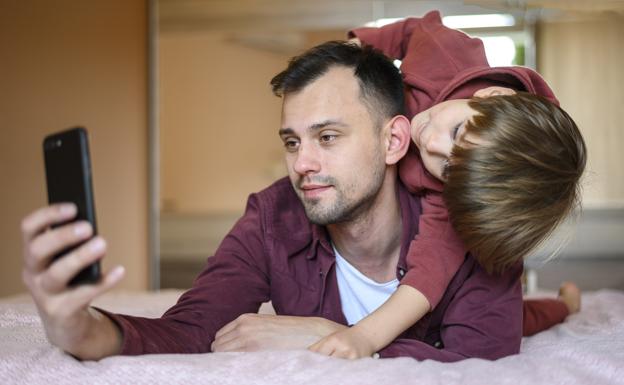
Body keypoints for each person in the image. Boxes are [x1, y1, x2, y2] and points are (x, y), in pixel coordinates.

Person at [21, 40, 526, 362]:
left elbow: (481, 357)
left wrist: (328, 337)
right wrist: (78, 328)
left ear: (394, 141)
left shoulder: (471, 220)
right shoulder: (273, 217)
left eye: (327, 137)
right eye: (291, 141)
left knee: (540, 314)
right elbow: (191, 330)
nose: (302, 163)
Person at [308, 11, 586, 358]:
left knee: (504, 329)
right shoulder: (445, 53)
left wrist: (363, 338)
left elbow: (429, 275)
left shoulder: (452, 192)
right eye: (457, 132)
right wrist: (357, 46)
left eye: (450, 168)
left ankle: (564, 306)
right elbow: (413, 30)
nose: (431, 144)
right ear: (491, 95)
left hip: (485, 241)